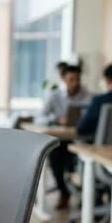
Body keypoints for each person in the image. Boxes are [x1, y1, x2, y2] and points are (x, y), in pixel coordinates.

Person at [38, 65, 91, 209]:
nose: (75, 83)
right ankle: (64, 191)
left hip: (81, 141)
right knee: (54, 157)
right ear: (63, 79)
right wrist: (56, 119)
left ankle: (88, 198)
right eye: (71, 79)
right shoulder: (54, 96)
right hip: (60, 142)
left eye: (77, 79)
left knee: (88, 161)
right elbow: (39, 118)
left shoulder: (88, 97)